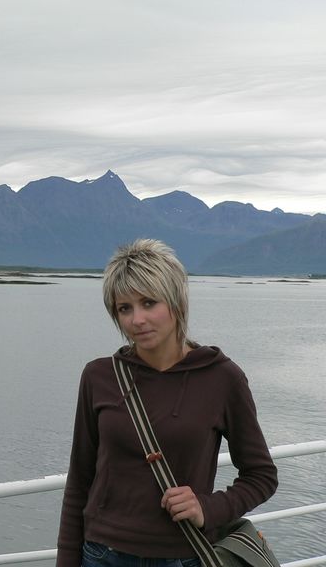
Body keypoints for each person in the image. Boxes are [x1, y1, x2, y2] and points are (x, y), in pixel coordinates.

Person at [56, 239, 277, 567]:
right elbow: (79, 480)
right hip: (101, 555)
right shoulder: (99, 376)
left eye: (149, 302)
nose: (137, 319)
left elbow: (261, 475)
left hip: (182, 556)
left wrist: (207, 508)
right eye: (124, 308)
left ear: (176, 302)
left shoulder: (222, 378)